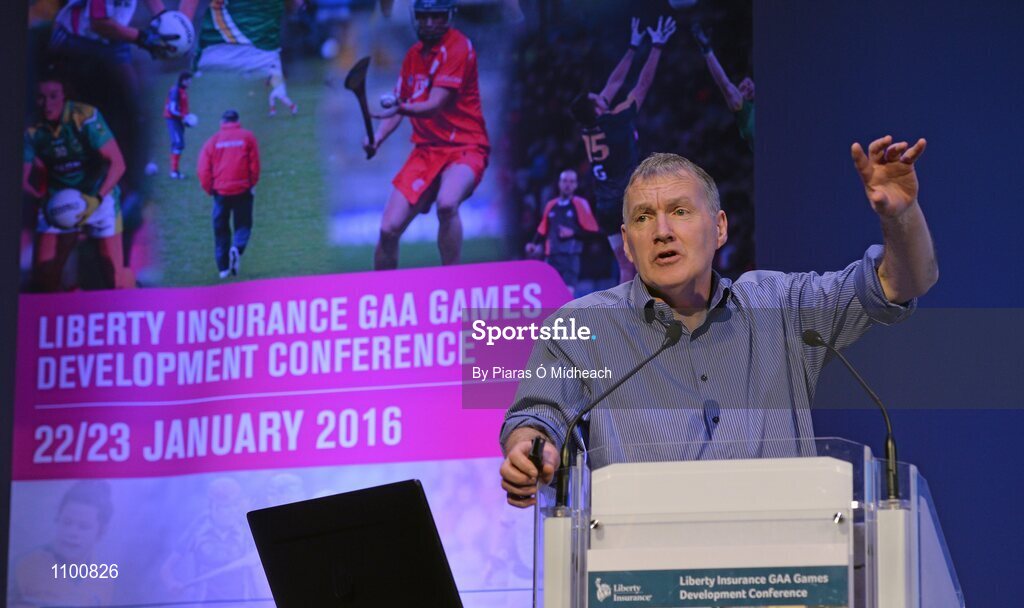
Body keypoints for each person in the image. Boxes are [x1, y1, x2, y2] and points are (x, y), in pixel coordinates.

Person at [499, 140, 937, 507]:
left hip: (783, 569)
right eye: (643, 218)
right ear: (628, 245)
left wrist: (900, 217)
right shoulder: (581, 327)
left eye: (680, 211)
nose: (662, 231)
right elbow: (538, 417)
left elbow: (900, 283)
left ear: (720, 227)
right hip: (641, 571)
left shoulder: (782, 306)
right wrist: (529, 451)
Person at [364, 0, 489, 270]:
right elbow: (400, 102)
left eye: (437, 17)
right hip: (426, 151)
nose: (430, 23)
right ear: (416, 18)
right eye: (424, 17)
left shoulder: (458, 47)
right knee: (388, 229)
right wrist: (378, 138)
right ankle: (383, 291)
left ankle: (451, 280)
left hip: (465, 147)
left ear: (449, 17)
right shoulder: (413, 55)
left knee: (447, 204)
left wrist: (400, 107)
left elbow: (434, 104)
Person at [569, 16, 677, 285]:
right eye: (597, 97)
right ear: (597, 108)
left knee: (624, 265)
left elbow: (614, 83)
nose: (602, 94)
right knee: (651, 257)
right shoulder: (616, 120)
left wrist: (632, 47)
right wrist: (656, 47)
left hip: (604, 206)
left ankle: (627, 310)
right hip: (627, 199)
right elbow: (642, 85)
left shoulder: (587, 126)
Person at [23, 72, 135, 291]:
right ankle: (72, 297)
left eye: (53, 95)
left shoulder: (85, 116)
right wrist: (37, 198)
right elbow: (23, 177)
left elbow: (118, 164)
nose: (47, 104)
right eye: (40, 97)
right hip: (58, 202)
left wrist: (95, 199)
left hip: (99, 197)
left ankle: (133, 287)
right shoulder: (31, 127)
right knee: (43, 283)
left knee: (117, 283)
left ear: (64, 95)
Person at [10, 481, 115, 607]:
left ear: (100, 532)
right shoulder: (25, 565)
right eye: (67, 522)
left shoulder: (105, 580)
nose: (72, 532)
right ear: (57, 519)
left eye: (83, 527)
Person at [194, 0, 302, 115]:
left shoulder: (274, 73)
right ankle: (279, 110)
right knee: (274, 98)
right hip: (270, 78)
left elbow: (273, 77)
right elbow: (272, 77)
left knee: (278, 97)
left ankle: (291, 108)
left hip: (277, 87)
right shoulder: (273, 71)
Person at [198, 110, 261, 279]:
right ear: (237, 121)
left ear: (222, 122)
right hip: (242, 189)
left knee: (220, 229)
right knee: (243, 224)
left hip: (221, 191)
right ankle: (237, 248)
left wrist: (210, 189)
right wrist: (252, 183)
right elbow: (254, 164)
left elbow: (203, 169)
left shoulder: (213, 141)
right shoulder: (247, 137)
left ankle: (223, 269)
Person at [525, 169, 599, 294]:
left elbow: (593, 231)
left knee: (567, 294)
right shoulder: (551, 205)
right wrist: (534, 243)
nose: (567, 185)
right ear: (559, 183)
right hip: (551, 258)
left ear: (576, 185)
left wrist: (573, 232)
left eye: (571, 182)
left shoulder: (580, 204)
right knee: (550, 294)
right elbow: (543, 228)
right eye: (565, 181)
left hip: (570, 257)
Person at [50, 0, 198, 62]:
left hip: (110, 39)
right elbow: (98, 23)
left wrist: (164, 19)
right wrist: (143, 38)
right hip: (74, 40)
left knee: (129, 106)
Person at [691, 22, 754, 150]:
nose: (746, 88)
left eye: (748, 84)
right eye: (742, 88)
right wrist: (708, 52)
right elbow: (724, 83)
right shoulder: (745, 110)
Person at [165, 71, 193, 179]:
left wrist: (187, 118)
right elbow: (172, 109)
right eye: (189, 80)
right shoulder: (175, 91)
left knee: (178, 144)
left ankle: (174, 171)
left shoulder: (182, 91)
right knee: (178, 143)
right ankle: (174, 172)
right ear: (183, 80)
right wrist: (184, 116)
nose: (190, 82)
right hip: (173, 120)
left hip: (178, 120)